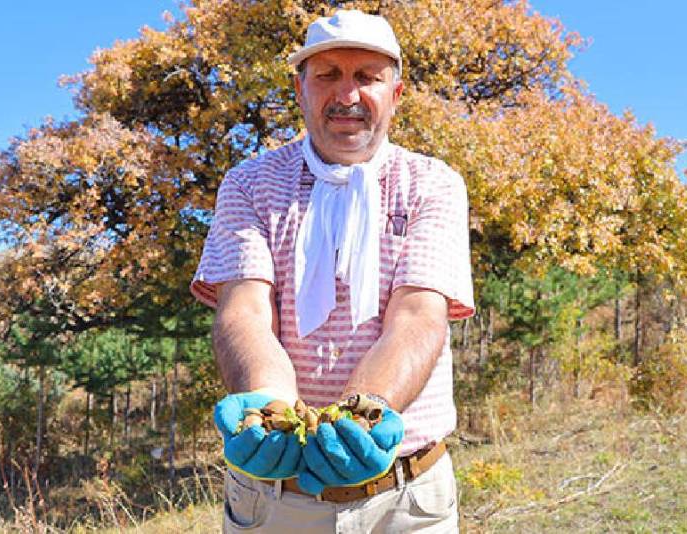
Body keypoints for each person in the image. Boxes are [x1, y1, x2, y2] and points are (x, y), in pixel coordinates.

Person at [190, 9, 474, 533]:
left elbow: (417, 316)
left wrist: (361, 418)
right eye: (327, 75)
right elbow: (246, 312)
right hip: (276, 499)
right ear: (300, 89)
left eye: (367, 76)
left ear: (396, 92)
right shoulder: (249, 184)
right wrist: (269, 412)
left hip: (408, 500)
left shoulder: (433, 183)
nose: (347, 95)